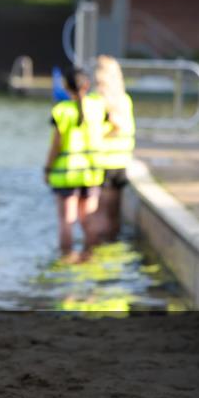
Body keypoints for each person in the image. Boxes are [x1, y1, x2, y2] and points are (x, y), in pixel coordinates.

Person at [44, 67, 105, 263]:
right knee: (88, 219)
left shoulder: (61, 111)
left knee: (66, 221)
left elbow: (56, 144)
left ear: (65, 86)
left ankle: (67, 259)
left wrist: (47, 168)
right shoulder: (97, 107)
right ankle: (90, 257)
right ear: (87, 85)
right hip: (91, 173)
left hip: (66, 174)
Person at [93, 55, 135, 242]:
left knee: (99, 214)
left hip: (102, 164)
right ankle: (112, 244)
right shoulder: (125, 100)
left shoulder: (96, 101)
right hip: (121, 163)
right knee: (114, 214)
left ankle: (98, 248)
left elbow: (94, 133)